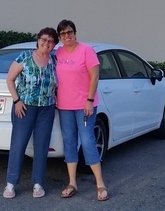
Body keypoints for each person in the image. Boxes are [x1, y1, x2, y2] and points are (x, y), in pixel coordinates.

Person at [56, 19, 109, 201]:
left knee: (87, 141)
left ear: (75, 33)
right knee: (69, 142)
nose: (67, 36)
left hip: (84, 105)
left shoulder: (87, 51)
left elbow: (95, 77)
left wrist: (89, 100)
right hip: (64, 106)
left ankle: (100, 184)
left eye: (69, 32)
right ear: (60, 37)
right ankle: (72, 183)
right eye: (63, 33)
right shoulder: (58, 53)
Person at [3, 27, 58, 199]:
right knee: (18, 145)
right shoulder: (25, 57)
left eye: (51, 41)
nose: (46, 43)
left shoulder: (54, 60)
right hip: (24, 107)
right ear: (38, 40)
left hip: (47, 108)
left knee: (42, 146)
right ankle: (11, 184)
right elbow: (10, 79)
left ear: (54, 44)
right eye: (44, 39)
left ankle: (38, 183)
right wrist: (16, 101)